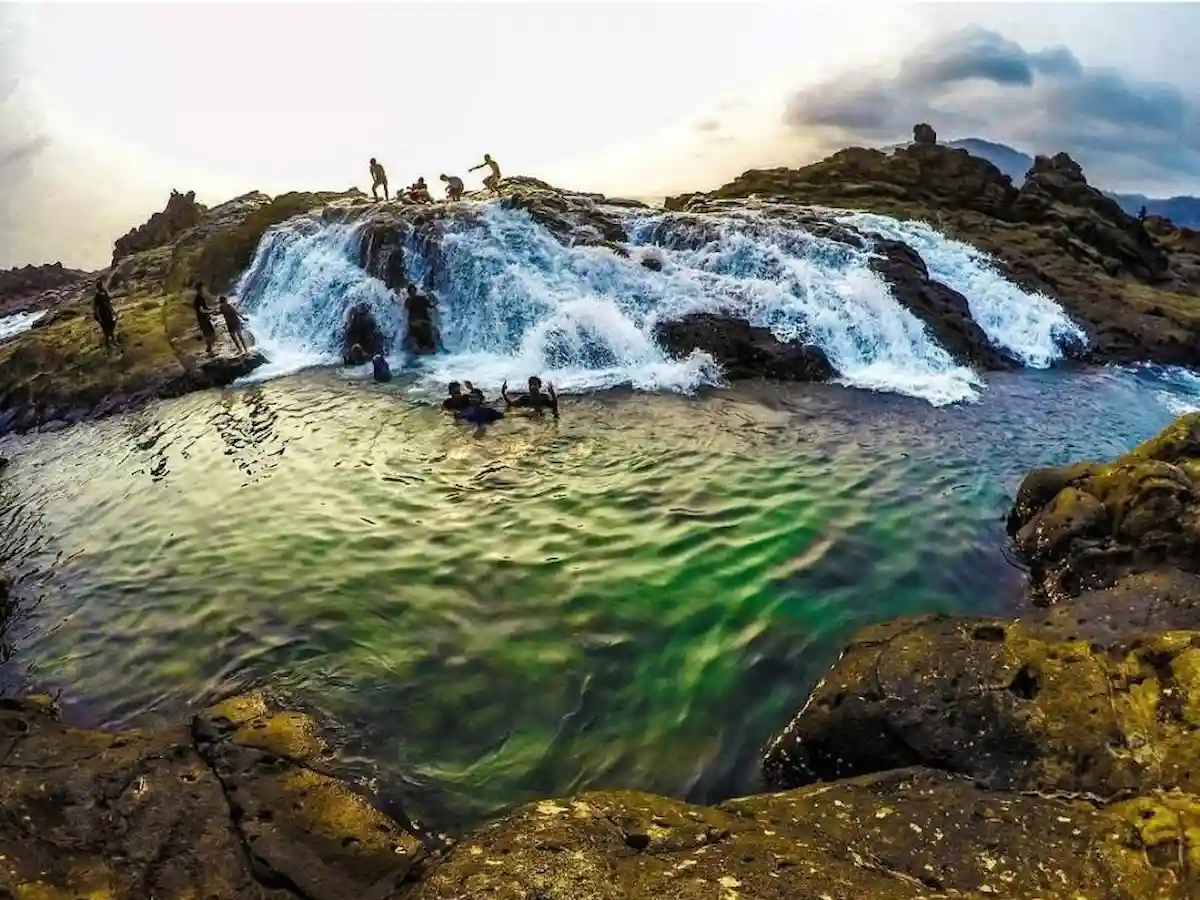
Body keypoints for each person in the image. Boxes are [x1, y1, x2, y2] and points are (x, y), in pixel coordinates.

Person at [404, 283, 438, 353]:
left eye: (413, 291)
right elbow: (407, 314)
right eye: (411, 292)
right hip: (416, 324)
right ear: (409, 293)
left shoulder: (421, 299)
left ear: (415, 291)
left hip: (423, 323)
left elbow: (431, 305)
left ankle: (430, 346)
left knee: (428, 334)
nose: (412, 293)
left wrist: (434, 302)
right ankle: (421, 345)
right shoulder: (408, 301)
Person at [92, 278, 118, 349]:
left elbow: (109, 303)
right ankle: (108, 344)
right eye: (99, 285)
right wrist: (99, 317)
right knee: (106, 329)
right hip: (102, 313)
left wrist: (113, 311)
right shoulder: (97, 296)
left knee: (111, 326)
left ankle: (113, 341)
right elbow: (97, 308)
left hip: (107, 312)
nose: (101, 286)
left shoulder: (105, 292)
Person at [193, 282, 217, 356]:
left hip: (204, 318)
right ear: (200, 289)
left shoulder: (200, 297)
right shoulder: (198, 298)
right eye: (204, 288)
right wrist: (210, 311)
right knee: (209, 334)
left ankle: (209, 348)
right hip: (203, 319)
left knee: (210, 333)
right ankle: (210, 351)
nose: (205, 289)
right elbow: (201, 310)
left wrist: (210, 309)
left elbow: (204, 308)